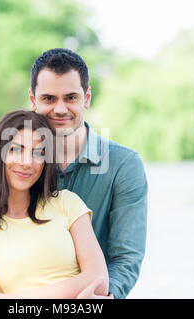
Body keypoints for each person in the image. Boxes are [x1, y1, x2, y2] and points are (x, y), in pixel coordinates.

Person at [0, 110, 112, 298]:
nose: (27, 162)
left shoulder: (67, 203)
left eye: (39, 153)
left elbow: (99, 279)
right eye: (16, 149)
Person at [28, 48, 148, 299]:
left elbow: (126, 257)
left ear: (87, 98)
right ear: (33, 100)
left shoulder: (123, 165)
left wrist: (104, 298)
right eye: (49, 98)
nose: (60, 109)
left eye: (71, 97)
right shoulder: (17, 164)